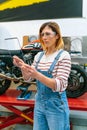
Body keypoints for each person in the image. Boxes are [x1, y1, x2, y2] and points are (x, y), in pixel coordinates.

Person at [13, 21, 71, 130]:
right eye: (42, 34)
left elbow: (60, 85)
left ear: (57, 36)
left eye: (48, 34)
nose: (44, 37)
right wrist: (22, 66)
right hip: (39, 102)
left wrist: (37, 75)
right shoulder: (39, 56)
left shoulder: (63, 56)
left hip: (56, 105)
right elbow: (28, 78)